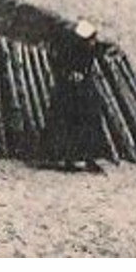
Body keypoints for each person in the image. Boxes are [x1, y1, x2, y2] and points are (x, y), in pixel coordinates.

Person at [41, 20, 107, 173]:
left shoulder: (89, 50)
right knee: (69, 124)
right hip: (69, 93)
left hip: (83, 92)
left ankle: (87, 158)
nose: (93, 42)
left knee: (88, 123)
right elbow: (59, 66)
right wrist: (69, 74)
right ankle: (70, 159)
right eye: (91, 39)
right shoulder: (69, 50)